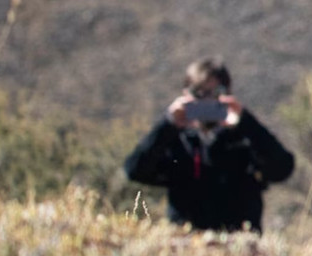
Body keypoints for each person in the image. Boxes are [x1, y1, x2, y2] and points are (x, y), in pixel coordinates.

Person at [123, 58, 295, 232]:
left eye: (216, 93)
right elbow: (134, 170)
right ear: (186, 94)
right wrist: (168, 124)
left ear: (228, 94)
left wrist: (246, 122)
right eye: (199, 93)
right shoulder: (176, 140)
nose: (207, 100)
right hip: (187, 245)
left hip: (239, 244)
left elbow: (282, 168)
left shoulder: (244, 139)